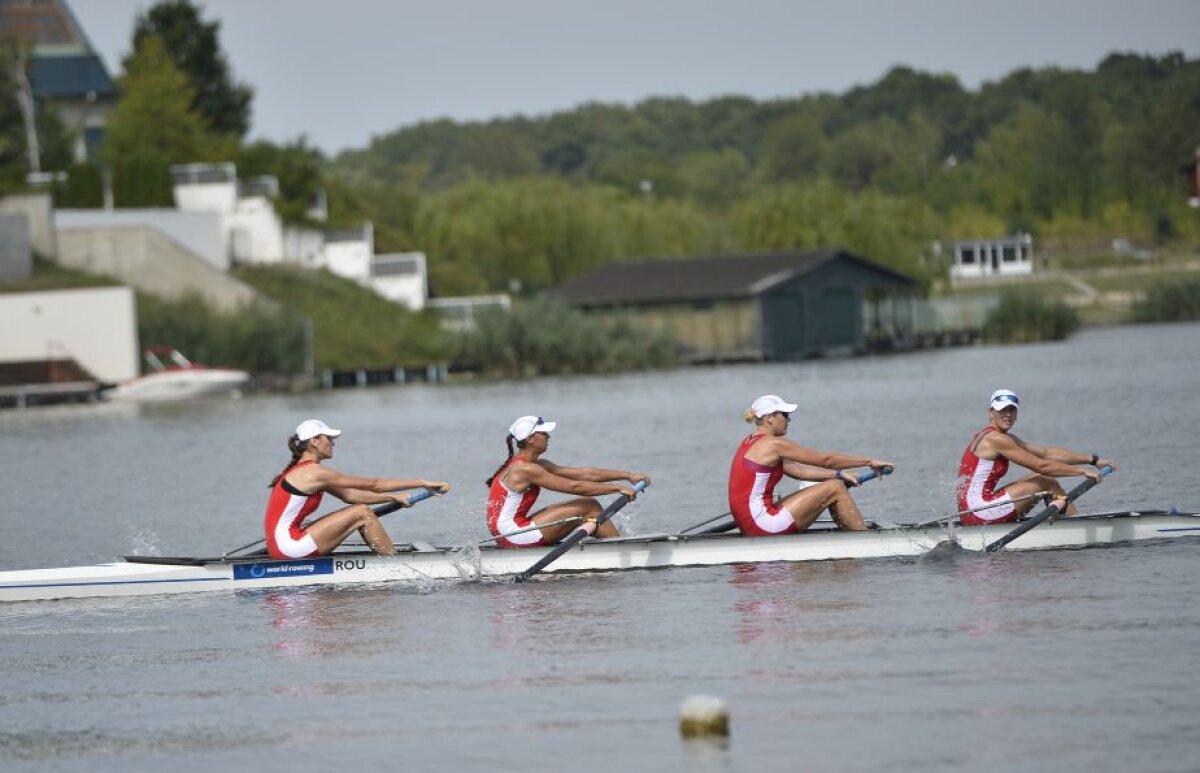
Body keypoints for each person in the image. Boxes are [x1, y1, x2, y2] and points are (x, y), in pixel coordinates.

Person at [264, 419, 450, 559]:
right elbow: (374, 484)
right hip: (289, 548)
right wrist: (422, 482)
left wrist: (395, 498)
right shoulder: (313, 473)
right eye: (328, 438)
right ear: (314, 441)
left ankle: (387, 558)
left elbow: (351, 495)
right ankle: (394, 565)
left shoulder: (305, 471)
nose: (333, 443)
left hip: (281, 546)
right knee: (362, 513)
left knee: (359, 509)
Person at [728, 394, 893, 535]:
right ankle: (863, 541)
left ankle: (850, 536)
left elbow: (798, 470)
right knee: (835, 488)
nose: (789, 419)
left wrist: (839, 474)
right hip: (762, 524)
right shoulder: (773, 444)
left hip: (750, 523)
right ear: (769, 418)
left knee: (834, 483)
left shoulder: (750, 442)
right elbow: (826, 460)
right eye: (785, 414)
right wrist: (869, 461)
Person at [485, 415, 651, 548]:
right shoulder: (525, 469)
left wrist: (627, 475)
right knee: (589, 506)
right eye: (543, 433)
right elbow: (575, 486)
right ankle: (619, 551)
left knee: (586, 507)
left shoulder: (535, 465)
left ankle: (607, 545)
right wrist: (618, 489)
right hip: (513, 536)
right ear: (530, 439)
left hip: (511, 532)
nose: (548, 436)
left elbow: (584, 475)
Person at [957, 389, 1114, 525]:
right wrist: (1082, 471)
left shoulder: (999, 436)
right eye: (1002, 410)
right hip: (977, 513)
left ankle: (1063, 521)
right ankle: (1073, 526)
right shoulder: (997, 439)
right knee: (1046, 480)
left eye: (1012, 410)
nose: (1008, 415)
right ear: (990, 412)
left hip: (972, 511)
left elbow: (1047, 454)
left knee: (1041, 477)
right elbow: (1042, 465)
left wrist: (1093, 460)